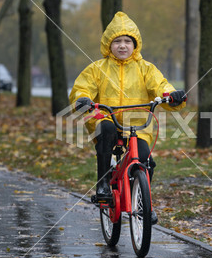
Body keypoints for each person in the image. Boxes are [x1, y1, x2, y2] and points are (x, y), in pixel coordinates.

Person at [69, 12, 186, 223]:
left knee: (145, 159)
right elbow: (82, 87)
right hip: (106, 118)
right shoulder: (97, 69)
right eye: (117, 41)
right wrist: (83, 99)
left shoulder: (146, 69)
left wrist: (171, 95)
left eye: (127, 41)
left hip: (137, 125)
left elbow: (160, 85)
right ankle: (103, 183)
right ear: (108, 45)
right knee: (106, 131)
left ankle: (142, 201)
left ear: (135, 45)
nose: (122, 46)